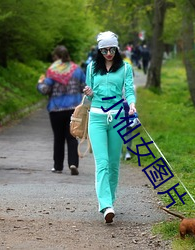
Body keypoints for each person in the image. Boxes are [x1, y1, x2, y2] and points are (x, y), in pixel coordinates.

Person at [83, 31, 136, 223]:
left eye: (112, 49)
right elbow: (89, 96)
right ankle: (105, 205)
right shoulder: (91, 68)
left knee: (114, 164)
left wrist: (131, 104)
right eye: (104, 50)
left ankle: (110, 201)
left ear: (117, 48)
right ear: (99, 50)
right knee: (102, 163)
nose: (108, 53)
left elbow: (129, 90)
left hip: (118, 118)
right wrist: (88, 92)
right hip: (96, 118)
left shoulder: (125, 68)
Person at [37, 45, 86, 175]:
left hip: (56, 109)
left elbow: (45, 90)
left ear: (56, 57)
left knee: (58, 138)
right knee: (72, 137)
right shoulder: (77, 70)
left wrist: (40, 83)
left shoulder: (52, 71)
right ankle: (73, 163)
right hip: (73, 109)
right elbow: (84, 87)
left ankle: (58, 166)